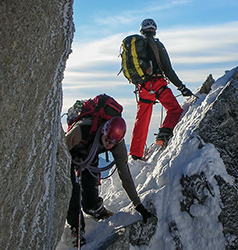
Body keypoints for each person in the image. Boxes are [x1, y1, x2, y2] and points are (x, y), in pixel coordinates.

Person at [65, 116, 152, 246]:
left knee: (90, 204)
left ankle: (96, 209)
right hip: (68, 158)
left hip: (89, 159)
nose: (108, 145)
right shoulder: (81, 130)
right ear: (103, 131)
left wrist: (139, 205)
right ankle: (76, 229)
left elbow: (125, 175)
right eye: (107, 140)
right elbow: (61, 150)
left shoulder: (118, 145)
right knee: (72, 191)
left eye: (112, 143)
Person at [129, 18, 194, 160]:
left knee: (142, 119)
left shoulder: (137, 48)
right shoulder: (157, 46)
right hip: (158, 84)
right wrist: (181, 87)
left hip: (143, 87)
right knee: (174, 109)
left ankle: (135, 154)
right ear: (155, 30)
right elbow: (168, 70)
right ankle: (163, 134)